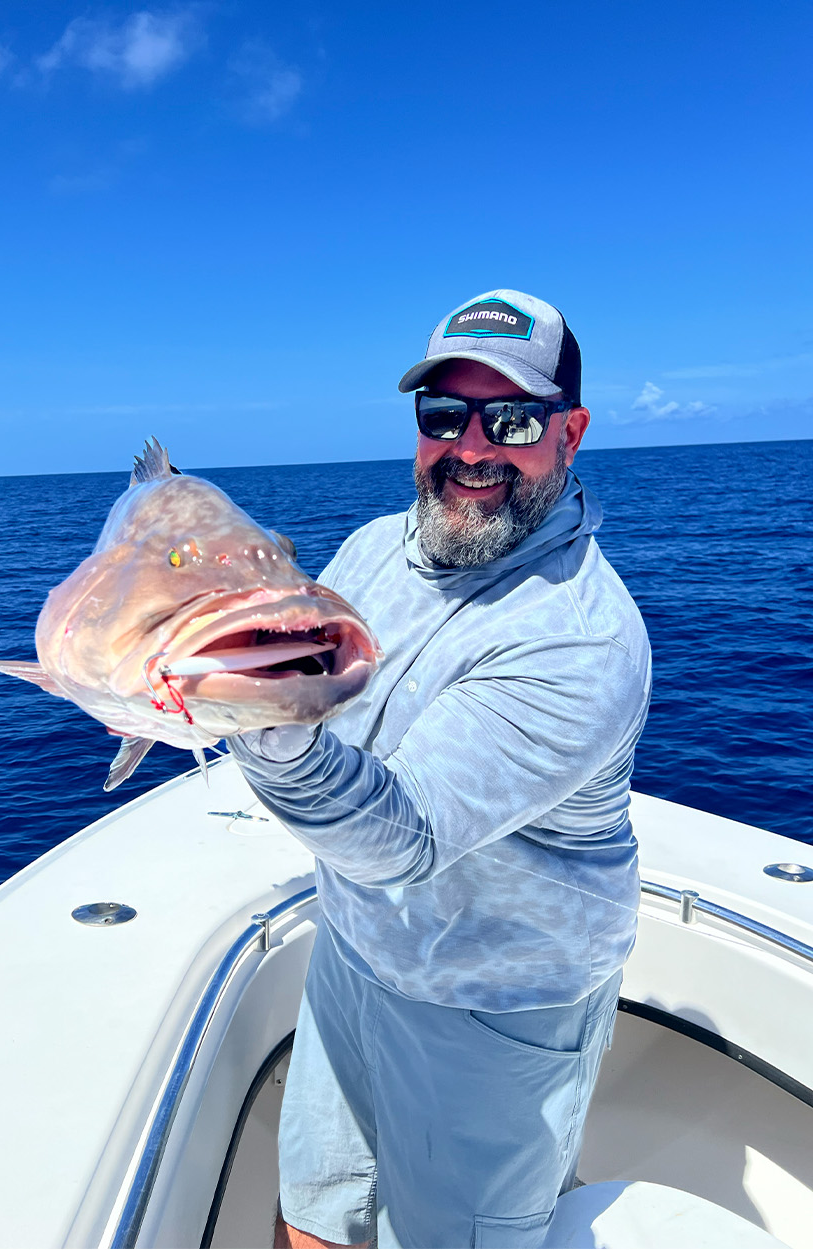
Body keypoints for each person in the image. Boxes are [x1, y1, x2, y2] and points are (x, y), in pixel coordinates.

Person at [225, 289, 652, 1248]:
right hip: (355, 952)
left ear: (571, 433)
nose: (472, 447)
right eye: (445, 414)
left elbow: (404, 836)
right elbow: (313, 678)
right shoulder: (374, 548)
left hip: (495, 1009)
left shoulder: (580, 640)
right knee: (313, 1214)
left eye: (513, 420)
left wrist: (250, 712)